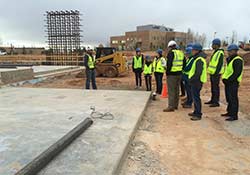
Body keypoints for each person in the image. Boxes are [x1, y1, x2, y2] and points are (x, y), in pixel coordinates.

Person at [221, 44, 244, 121]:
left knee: (233, 99)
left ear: (235, 51)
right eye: (228, 51)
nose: (229, 52)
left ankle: (234, 115)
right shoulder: (230, 59)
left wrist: (228, 80)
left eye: (230, 51)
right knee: (229, 98)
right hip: (228, 82)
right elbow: (228, 71)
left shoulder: (237, 60)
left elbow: (236, 73)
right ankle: (229, 112)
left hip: (233, 82)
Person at [163, 40, 184, 112]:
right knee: (177, 90)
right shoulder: (181, 53)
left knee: (171, 90)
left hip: (172, 74)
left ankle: (170, 106)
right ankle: (175, 105)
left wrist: (167, 72)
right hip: (179, 74)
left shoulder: (171, 53)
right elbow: (184, 63)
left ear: (170, 47)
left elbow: (169, 64)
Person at [188, 43, 207, 121]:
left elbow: (198, 73)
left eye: (193, 50)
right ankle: (196, 111)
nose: (192, 51)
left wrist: (191, 79)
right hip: (195, 82)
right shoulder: (198, 58)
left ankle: (198, 114)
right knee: (195, 97)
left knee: (196, 98)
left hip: (197, 82)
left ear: (196, 50)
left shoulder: (199, 60)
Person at [205, 38, 224, 107]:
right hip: (213, 73)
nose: (212, 46)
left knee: (215, 88)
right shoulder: (216, 52)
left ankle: (216, 102)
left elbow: (219, 64)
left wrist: (215, 72)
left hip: (216, 74)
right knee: (213, 87)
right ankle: (213, 100)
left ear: (216, 45)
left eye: (213, 44)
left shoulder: (220, 53)